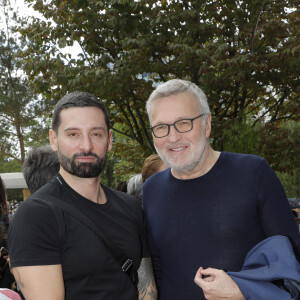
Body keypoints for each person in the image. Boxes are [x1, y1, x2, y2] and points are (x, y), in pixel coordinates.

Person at [142, 79, 300, 300]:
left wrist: (243, 292)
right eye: (161, 127)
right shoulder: (151, 189)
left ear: (207, 124)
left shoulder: (253, 173)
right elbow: (159, 270)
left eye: (184, 123)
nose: (172, 136)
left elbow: (292, 261)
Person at [8, 92, 157, 300]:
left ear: (109, 140)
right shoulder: (35, 216)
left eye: (96, 134)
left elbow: (146, 286)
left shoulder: (130, 206)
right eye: (73, 134)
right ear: (54, 140)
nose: (86, 146)